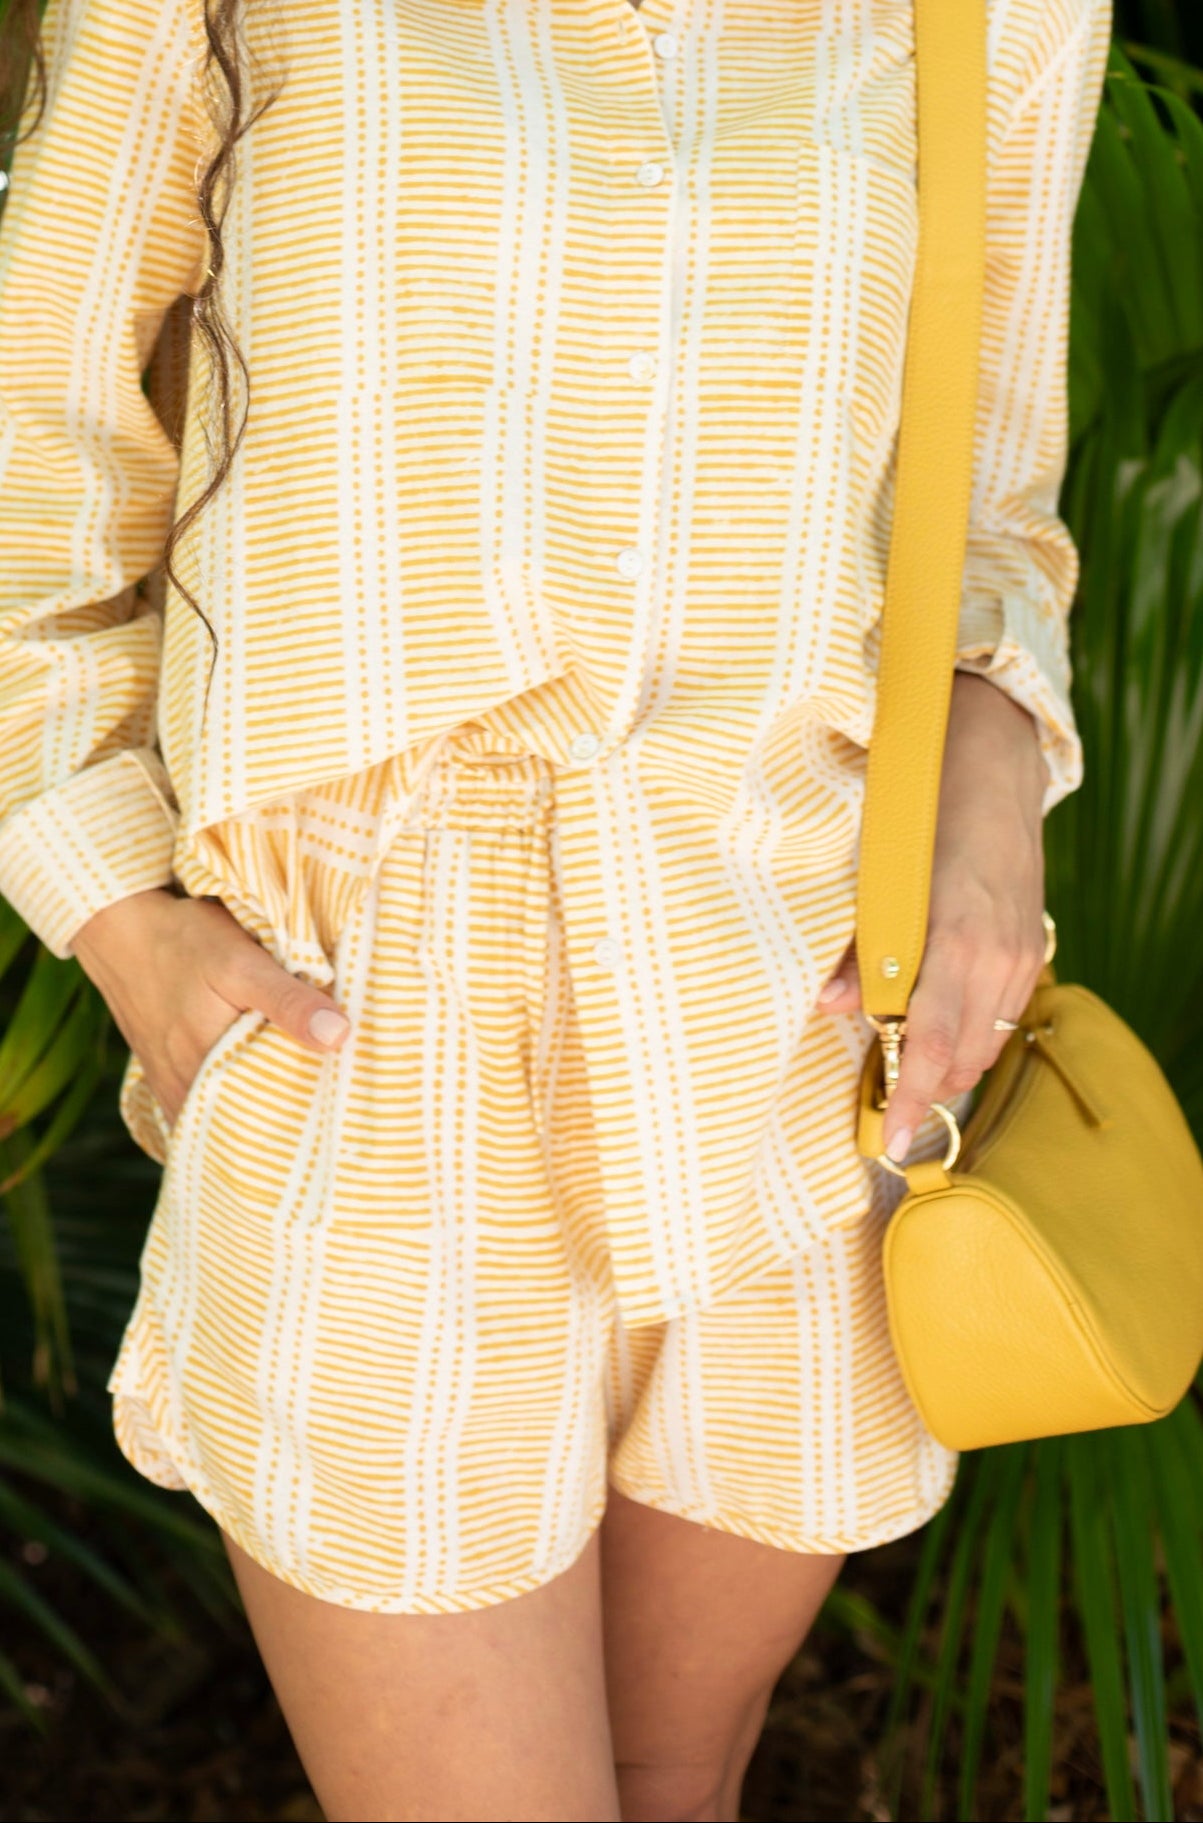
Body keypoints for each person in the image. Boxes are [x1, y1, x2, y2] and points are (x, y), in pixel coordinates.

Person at [0, 1, 1110, 1817]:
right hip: (369, 1029)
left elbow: (987, 494)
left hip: (801, 1014)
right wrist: (112, 903)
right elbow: (29, 442)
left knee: (680, 1783)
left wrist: (993, 814)